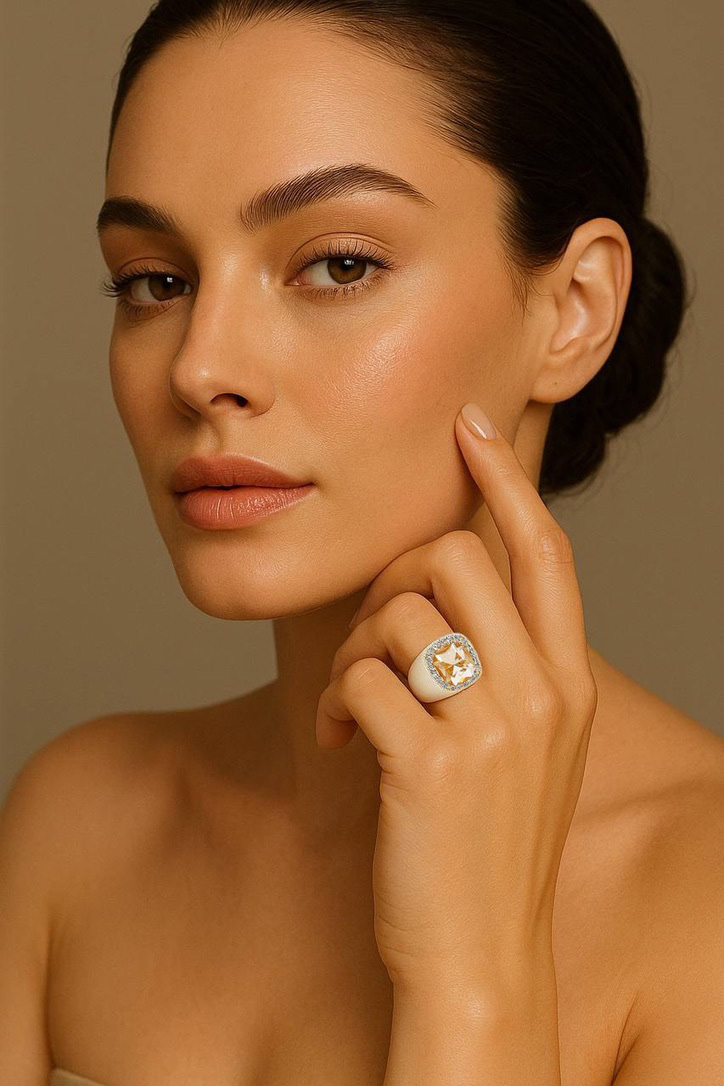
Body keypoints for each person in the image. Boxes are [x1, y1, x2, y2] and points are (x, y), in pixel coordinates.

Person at [1, 1, 723, 1083]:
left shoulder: (703, 905)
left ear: (573, 309)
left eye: (337, 266)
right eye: (157, 281)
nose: (200, 368)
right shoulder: (77, 828)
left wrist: (474, 981)